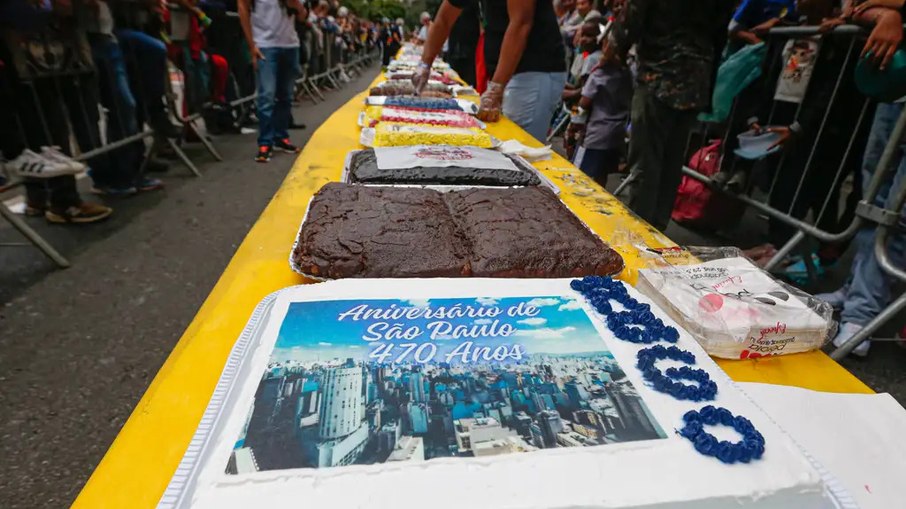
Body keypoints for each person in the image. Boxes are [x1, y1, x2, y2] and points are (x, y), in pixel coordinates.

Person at [815, 0, 906, 357]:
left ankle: (863, 310)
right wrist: (890, 12)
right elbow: (861, 8)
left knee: (898, 211)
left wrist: (895, 11)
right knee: (874, 197)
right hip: (897, 87)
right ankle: (857, 290)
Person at [606, 0, 735, 231]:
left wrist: (615, 47)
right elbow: (720, 34)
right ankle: (656, 229)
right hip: (695, 78)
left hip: (659, 75)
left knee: (647, 160)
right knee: (672, 160)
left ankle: (637, 232)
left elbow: (629, 22)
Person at [415, 0, 567, 141]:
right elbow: (444, 19)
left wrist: (496, 87)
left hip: (533, 70)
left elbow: (521, 23)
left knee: (518, 147)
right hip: (507, 73)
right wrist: (424, 65)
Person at [238, 0, 308, 162]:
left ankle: (281, 136)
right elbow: (242, 8)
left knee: (286, 96)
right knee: (267, 95)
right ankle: (265, 142)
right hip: (265, 45)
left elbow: (303, 17)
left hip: (290, 45)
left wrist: (296, 6)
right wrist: (251, 45)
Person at [569, 39, 632, 187]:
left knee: (579, 175)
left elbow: (583, 103)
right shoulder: (627, 73)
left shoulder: (599, 73)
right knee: (601, 175)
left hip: (595, 133)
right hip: (616, 132)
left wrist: (573, 121)